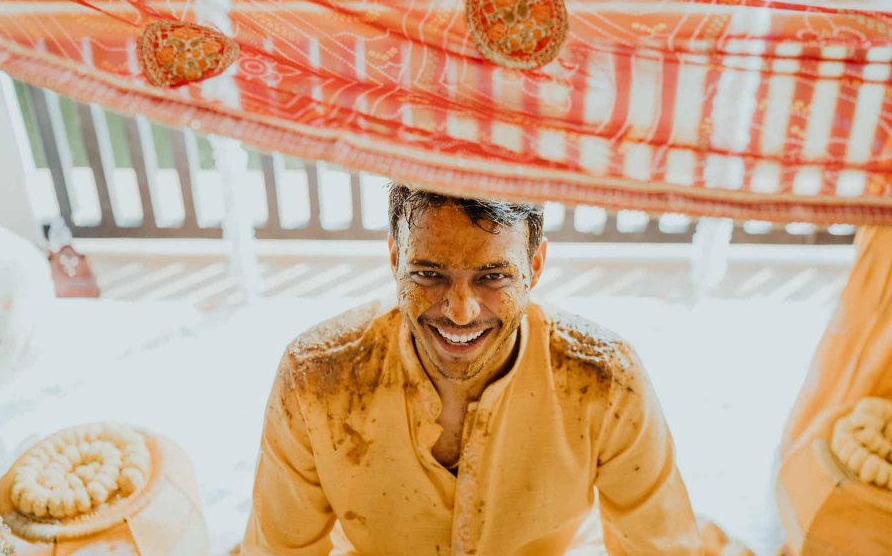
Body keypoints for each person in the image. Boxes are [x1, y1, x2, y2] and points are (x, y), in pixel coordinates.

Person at [243, 184, 701, 555]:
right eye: (428, 274)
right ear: (394, 260)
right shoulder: (314, 376)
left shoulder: (606, 378)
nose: (460, 312)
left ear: (534, 266)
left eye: (492, 276)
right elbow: (280, 549)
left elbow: (662, 546)